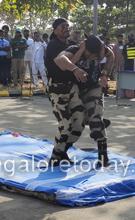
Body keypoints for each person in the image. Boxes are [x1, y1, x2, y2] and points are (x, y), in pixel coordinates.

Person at [55, 35, 115, 167]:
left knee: (96, 119)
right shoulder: (74, 49)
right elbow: (59, 59)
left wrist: (105, 74)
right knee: (78, 125)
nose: (91, 57)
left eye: (94, 56)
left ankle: (103, 156)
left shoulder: (100, 49)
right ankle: (63, 151)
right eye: (89, 54)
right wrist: (79, 55)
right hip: (76, 92)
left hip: (93, 87)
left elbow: (111, 55)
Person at [45, 18, 84, 166]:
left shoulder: (73, 45)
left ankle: (62, 151)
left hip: (73, 87)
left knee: (79, 123)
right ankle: (55, 157)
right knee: (65, 124)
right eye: (62, 26)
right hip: (57, 88)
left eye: (67, 26)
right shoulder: (53, 45)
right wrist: (79, 52)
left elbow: (81, 58)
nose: (66, 28)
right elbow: (64, 65)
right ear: (55, 30)